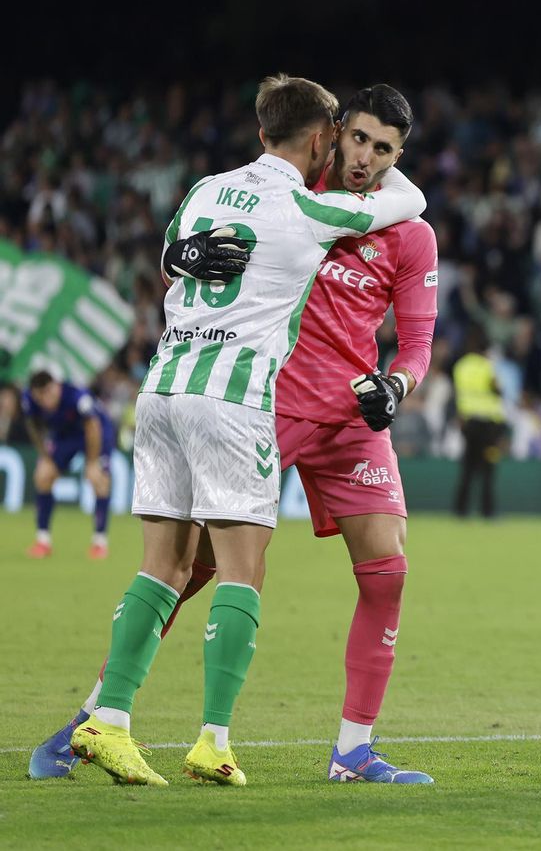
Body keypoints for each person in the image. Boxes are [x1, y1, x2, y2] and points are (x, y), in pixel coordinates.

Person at [59, 74, 425, 787]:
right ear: (327, 137)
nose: (365, 157)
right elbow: (405, 198)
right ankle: (170, 731)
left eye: (384, 149)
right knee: (215, 570)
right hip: (254, 401)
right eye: (356, 139)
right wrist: (179, 256)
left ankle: (348, 751)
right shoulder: (316, 208)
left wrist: (396, 385)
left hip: (207, 393)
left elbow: (173, 247)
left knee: (375, 570)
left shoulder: (211, 189)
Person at [21, 371, 116, 560]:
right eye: (39, 398)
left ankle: (99, 542)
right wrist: (45, 456)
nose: (44, 402)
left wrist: (91, 463)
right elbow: (33, 427)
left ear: (54, 387)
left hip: (96, 433)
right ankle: (43, 541)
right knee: (43, 475)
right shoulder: (29, 400)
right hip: (64, 436)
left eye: (47, 395)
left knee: (98, 480)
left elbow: (93, 427)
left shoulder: (77, 397)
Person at [453, 326, 504, 518]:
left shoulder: (461, 366)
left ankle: (461, 510)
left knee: (468, 467)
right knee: (488, 467)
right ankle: (488, 511)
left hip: (469, 422)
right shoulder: (487, 366)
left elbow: (459, 393)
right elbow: (497, 390)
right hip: (489, 424)